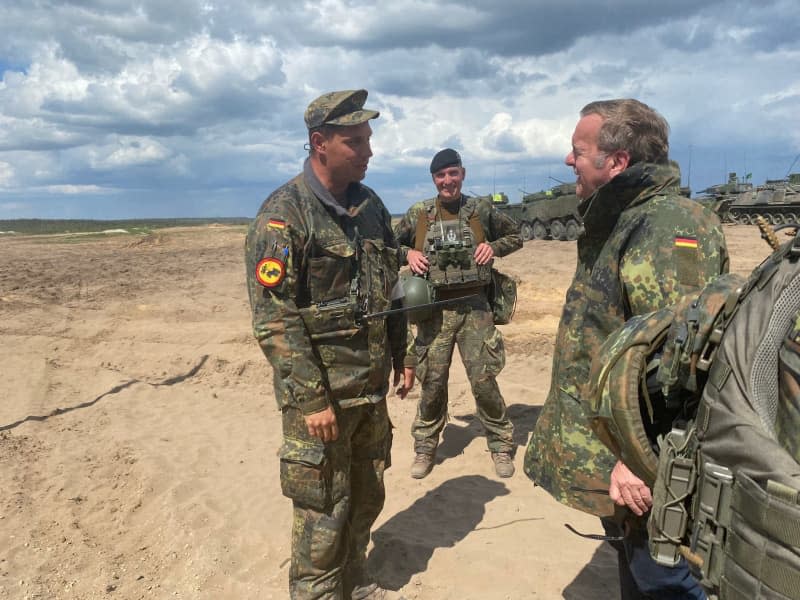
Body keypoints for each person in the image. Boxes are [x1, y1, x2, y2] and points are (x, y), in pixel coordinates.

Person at [523, 99, 729, 599]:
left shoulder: (665, 227)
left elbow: (684, 361)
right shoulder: (625, 219)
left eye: (579, 150)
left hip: (649, 467)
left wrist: (641, 457)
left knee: (666, 577)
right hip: (628, 460)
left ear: (615, 162)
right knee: (639, 571)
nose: (569, 160)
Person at [245, 89, 414, 600]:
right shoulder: (283, 216)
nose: (368, 151)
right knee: (322, 510)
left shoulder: (371, 207)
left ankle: (355, 579)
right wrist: (312, 397)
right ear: (319, 143)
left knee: (367, 494)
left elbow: (390, 289)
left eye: (368, 139)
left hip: (368, 390)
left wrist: (402, 355)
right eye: (355, 141)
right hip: (322, 401)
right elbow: (274, 319)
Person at [393, 148, 522, 479]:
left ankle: (501, 444)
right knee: (432, 382)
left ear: (462, 174)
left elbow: (516, 235)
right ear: (433, 179)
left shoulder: (480, 210)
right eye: (440, 175)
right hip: (433, 311)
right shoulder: (419, 214)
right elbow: (387, 247)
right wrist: (408, 254)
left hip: (475, 308)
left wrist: (493, 247)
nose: (447, 181)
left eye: (453, 173)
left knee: (483, 381)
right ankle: (425, 446)